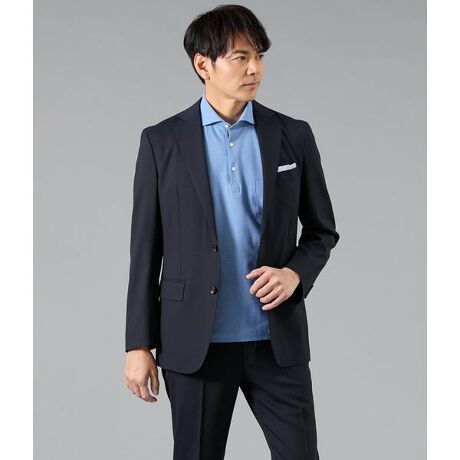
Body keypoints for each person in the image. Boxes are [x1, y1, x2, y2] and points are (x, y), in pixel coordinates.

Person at [124, 4, 339, 459]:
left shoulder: (293, 135)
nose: (255, 68)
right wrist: (138, 344)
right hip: (195, 343)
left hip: (275, 340)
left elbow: (322, 231)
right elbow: (145, 251)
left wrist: (294, 274)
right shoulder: (161, 142)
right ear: (203, 64)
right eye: (241, 57)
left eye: (259, 56)